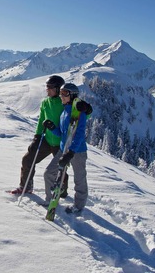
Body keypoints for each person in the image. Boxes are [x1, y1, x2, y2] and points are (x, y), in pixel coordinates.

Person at [10, 75, 68, 196]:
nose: (47, 89)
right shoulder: (45, 102)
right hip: (46, 140)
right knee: (27, 160)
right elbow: (42, 119)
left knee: (60, 168)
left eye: (50, 87)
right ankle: (25, 186)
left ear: (57, 89)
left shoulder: (64, 103)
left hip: (60, 142)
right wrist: (37, 136)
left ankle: (62, 189)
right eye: (47, 87)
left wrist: (87, 111)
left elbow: (79, 114)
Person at [43, 82, 92, 214]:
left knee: (79, 178)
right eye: (61, 93)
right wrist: (53, 128)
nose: (61, 96)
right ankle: (51, 200)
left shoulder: (79, 111)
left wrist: (71, 152)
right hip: (63, 149)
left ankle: (78, 206)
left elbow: (80, 134)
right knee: (48, 173)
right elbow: (63, 133)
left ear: (72, 95)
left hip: (77, 151)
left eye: (65, 93)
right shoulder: (64, 112)